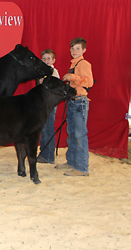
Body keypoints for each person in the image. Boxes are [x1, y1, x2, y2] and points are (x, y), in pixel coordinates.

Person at [55, 37, 94, 176]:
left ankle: (82, 168)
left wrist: (72, 78)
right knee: (72, 133)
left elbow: (89, 82)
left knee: (79, 135)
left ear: (84, 50)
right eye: (72, 48)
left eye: (77, 48)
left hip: (80, 101)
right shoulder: (74, 64)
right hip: (72, 101)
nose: (74, 50)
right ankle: (71, 162)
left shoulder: (84, 64)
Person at [37, 49, 60, 164]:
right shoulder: (43, 72)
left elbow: (50, 89)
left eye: (48, 58)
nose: (46, 61)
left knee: (48, 129)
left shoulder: (53, 72)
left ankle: (49, 156)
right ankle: (44, 153)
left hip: (49, 104)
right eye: (44, 58)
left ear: (53, 60)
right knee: (44, 129)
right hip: (44, 104)